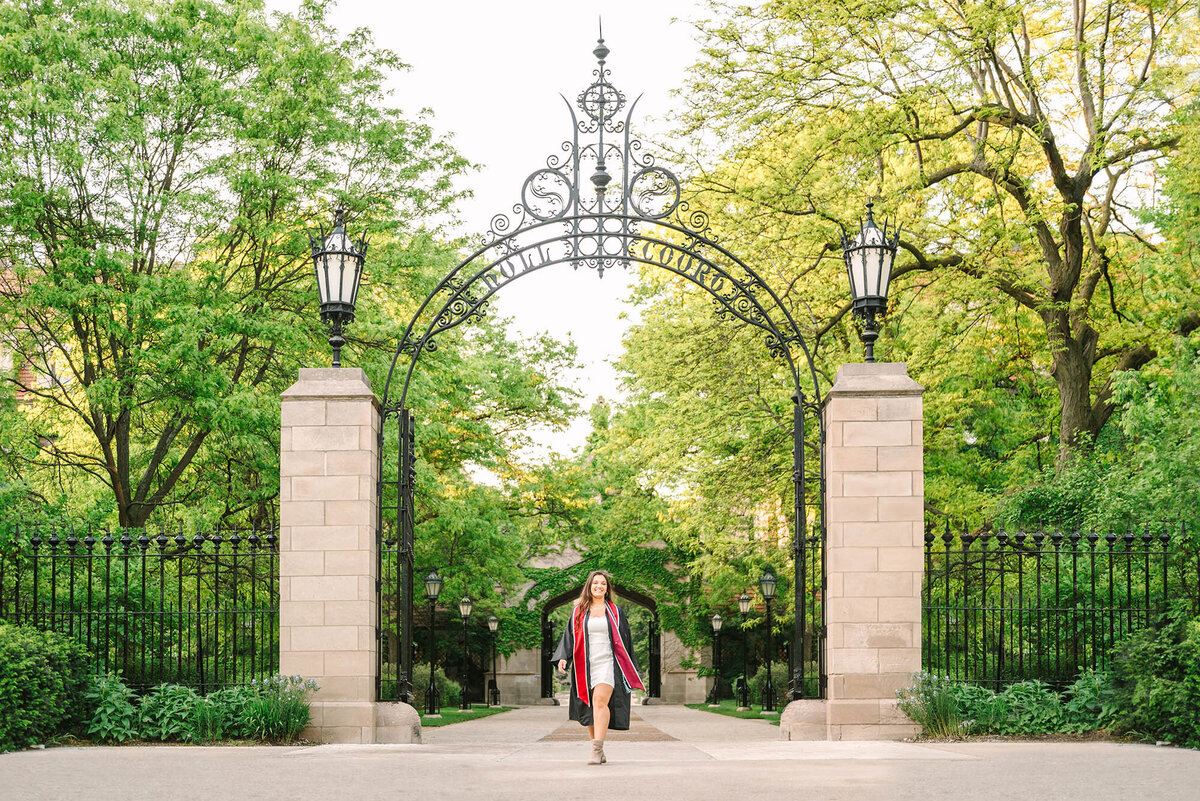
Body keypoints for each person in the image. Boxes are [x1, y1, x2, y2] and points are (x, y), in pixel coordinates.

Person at [551, 569, 644, 765]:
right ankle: (598, 749)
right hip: (585, 664)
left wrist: (629, 669)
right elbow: (569, 636)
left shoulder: (616, 612)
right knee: (590, 705)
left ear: (607, 588)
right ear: (589, 586)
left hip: (609, 663)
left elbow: (626, 641)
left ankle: (595, 750)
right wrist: (563, 657)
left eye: (603, 583)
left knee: (600, 701)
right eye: (595, 583)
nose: (599, 586)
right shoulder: (579, 611)